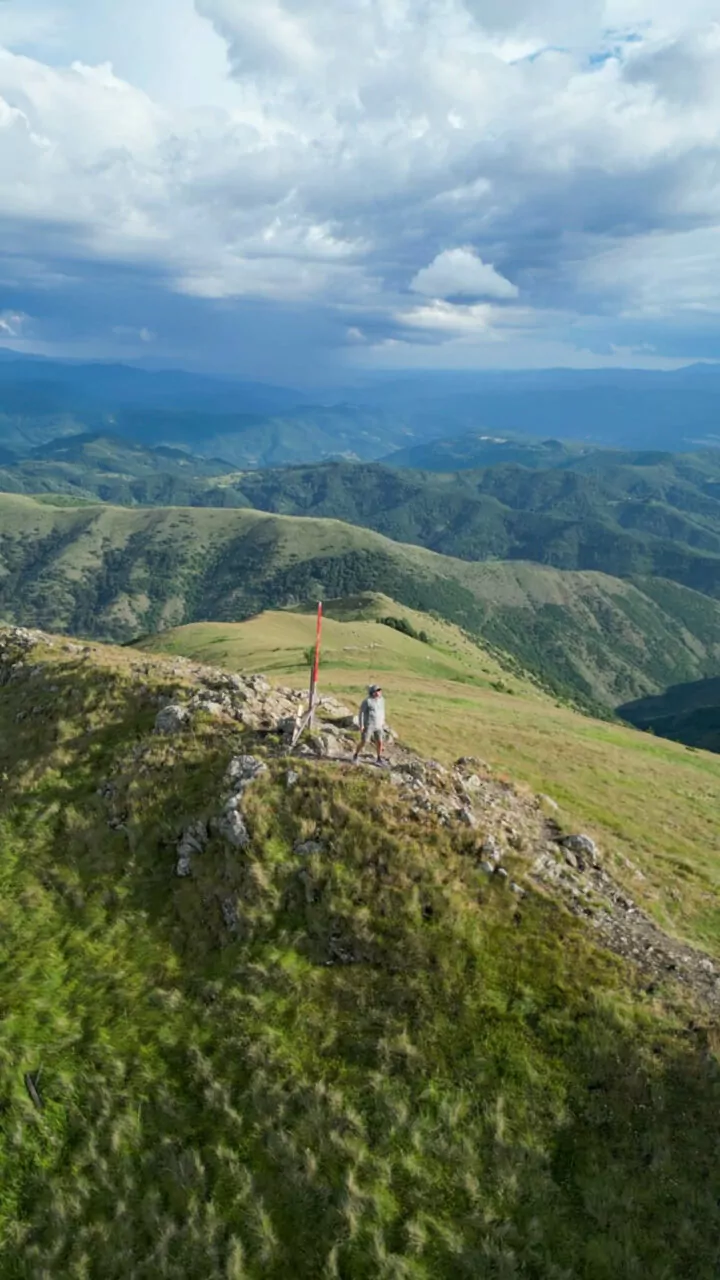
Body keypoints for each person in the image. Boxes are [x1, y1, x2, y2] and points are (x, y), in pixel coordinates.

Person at [353, 684, 386, 765]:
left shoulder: (382, 700)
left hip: (379, 725)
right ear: (372, 692)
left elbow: (382, 711)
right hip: (369, 725)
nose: (378, 692)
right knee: (364, 741)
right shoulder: (367, 701)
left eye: (379, 690)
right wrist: (361, 725)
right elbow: (361, 713)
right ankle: (355, 755)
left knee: (380, 742)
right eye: (376, 691)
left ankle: (379, 758)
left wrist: (383, 721)